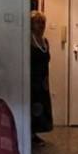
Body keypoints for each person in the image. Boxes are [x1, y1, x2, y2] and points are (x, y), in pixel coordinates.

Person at [29, 10, 54, 144]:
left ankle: (35, 133)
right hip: (32, 80)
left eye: (43, 22)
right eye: (37, 22)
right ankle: (30, 134)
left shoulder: (45, 41)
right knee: (33, 106)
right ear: (31, 24)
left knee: (42, 106)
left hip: (43, 81)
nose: (41, 25)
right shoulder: (28, 40)